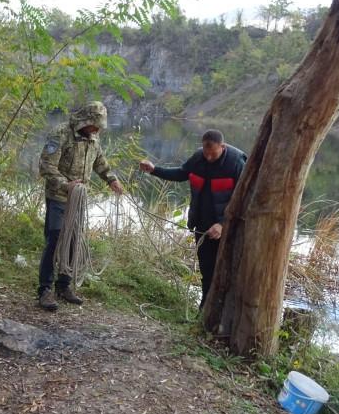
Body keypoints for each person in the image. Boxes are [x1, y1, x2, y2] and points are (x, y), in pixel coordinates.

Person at [139, 129, 246, 309]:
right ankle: (205, 308)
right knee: (206, 268)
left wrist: (222, 224)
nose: (209, 157)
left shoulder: (236, 163)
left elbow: (244, 198)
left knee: (227, 270)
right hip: (202, 225)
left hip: (228, 229)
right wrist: (154, 170)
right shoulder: (199, 158)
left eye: (213, 153)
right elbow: (182, 173)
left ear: (223, 146)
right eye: (206, 153)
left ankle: (224, 311)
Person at [38, 101, 124, 310]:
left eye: (99, 126)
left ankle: (64, 285)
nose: (97, 130)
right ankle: (45, 290)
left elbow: (99, 161)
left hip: (78, 200)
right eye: (95, 125)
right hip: (59, 197)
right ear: (85, 121)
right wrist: (65, 185)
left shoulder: (93, 138)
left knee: (74, 240)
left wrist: (111, 179)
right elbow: (46, 165)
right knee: (55, 239)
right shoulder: (61, 134)